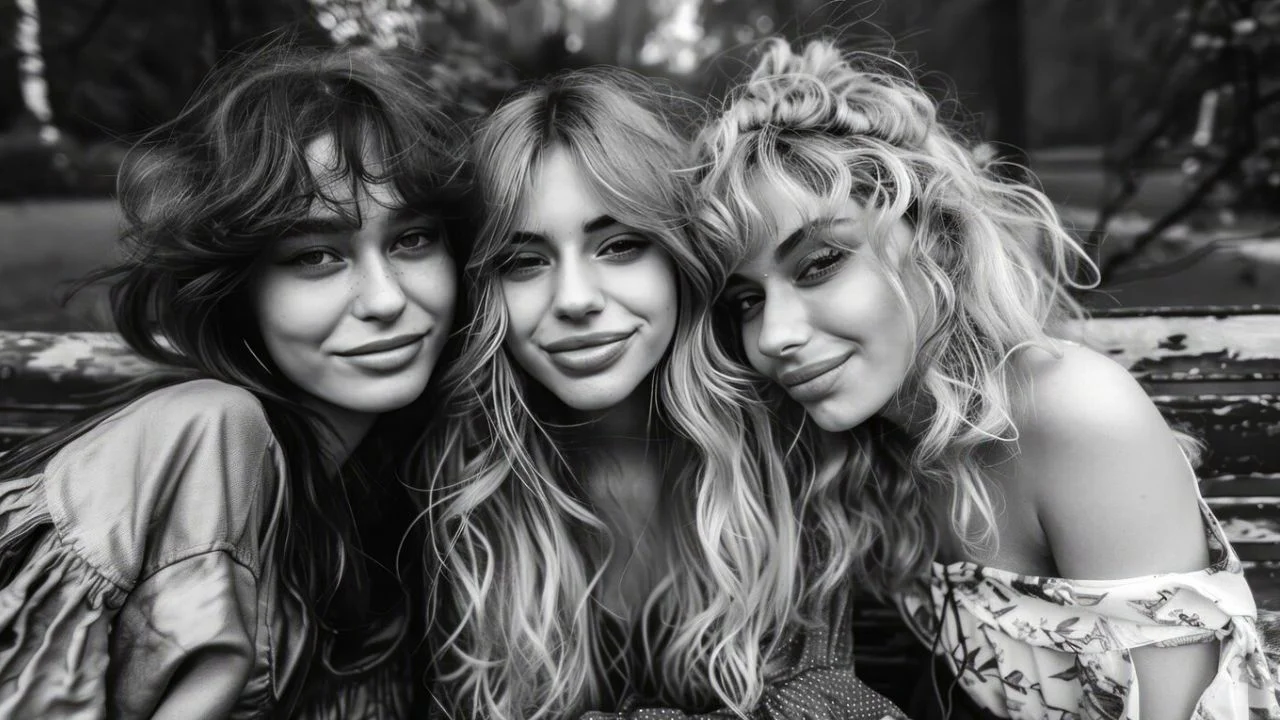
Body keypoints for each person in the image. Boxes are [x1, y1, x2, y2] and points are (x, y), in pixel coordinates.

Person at [691, 37, 1280, 720]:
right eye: (745, 301)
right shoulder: (882, 445)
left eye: (819, 263)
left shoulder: (1075, 414)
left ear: (934, 239)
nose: (774, 335)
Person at [420, 67, 907, 719]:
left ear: (681, 258)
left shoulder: (782, 439)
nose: (574, 301)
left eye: (619, 245)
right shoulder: (459, 481)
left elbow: (825, 702)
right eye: (524, 261)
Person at [0, 44, 470, 718]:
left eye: (412, 240)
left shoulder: (396, 492)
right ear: (239, 290)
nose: (385, 299)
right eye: (315, 255)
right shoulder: (207, 434)